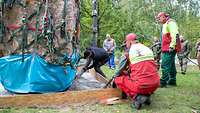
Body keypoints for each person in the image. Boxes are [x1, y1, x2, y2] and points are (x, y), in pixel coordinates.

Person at [114, 33, 160, 110]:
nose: (126, 45)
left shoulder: (127, 53)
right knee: (142, 77)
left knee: (118, 79)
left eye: (127, 43)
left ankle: (137, 97)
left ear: (130, 42)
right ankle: (146, 95)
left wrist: (115, 77)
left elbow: (118, 72)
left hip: (141, 86)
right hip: (155, 84)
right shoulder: (147, 49)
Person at [156, 12, 181, 87]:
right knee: (171, 65)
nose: (159, 20)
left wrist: (172, 46)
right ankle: (172, 81)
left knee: (164, 65)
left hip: (169, 48)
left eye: (159, 18)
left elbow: (175, 34)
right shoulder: (165, 24)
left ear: (164, 17)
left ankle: (163, 82)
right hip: (166, 47)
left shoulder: (171, 23)